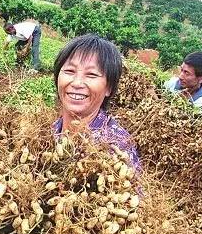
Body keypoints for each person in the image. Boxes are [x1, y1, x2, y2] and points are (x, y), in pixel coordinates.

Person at [52, 34, 141, 173]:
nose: (77, 83)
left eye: (91, 75)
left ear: (109, 88)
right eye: (69, 71)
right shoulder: (48, 130)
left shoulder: (117, 146)